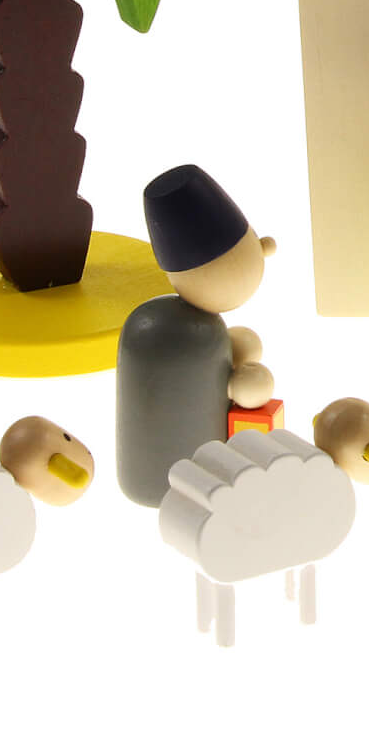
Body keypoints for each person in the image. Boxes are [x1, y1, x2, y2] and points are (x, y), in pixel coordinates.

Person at [117, 165, 275, 507]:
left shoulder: (161, 325)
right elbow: (244, 391)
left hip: (178, 482)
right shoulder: (188, 333)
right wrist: (240, 384)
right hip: (192, 483)